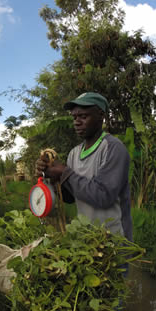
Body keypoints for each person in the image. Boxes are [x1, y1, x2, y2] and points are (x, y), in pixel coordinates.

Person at [36, 92, 132, 241]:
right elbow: (70, 197)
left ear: (100, 116)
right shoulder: (74, 154)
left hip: (114, 241)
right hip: (87, 241)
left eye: (83, 116)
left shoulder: (113, 148)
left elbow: (103, 196)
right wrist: (52, 176)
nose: (77, 122)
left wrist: (64, 172)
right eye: (74, 117)